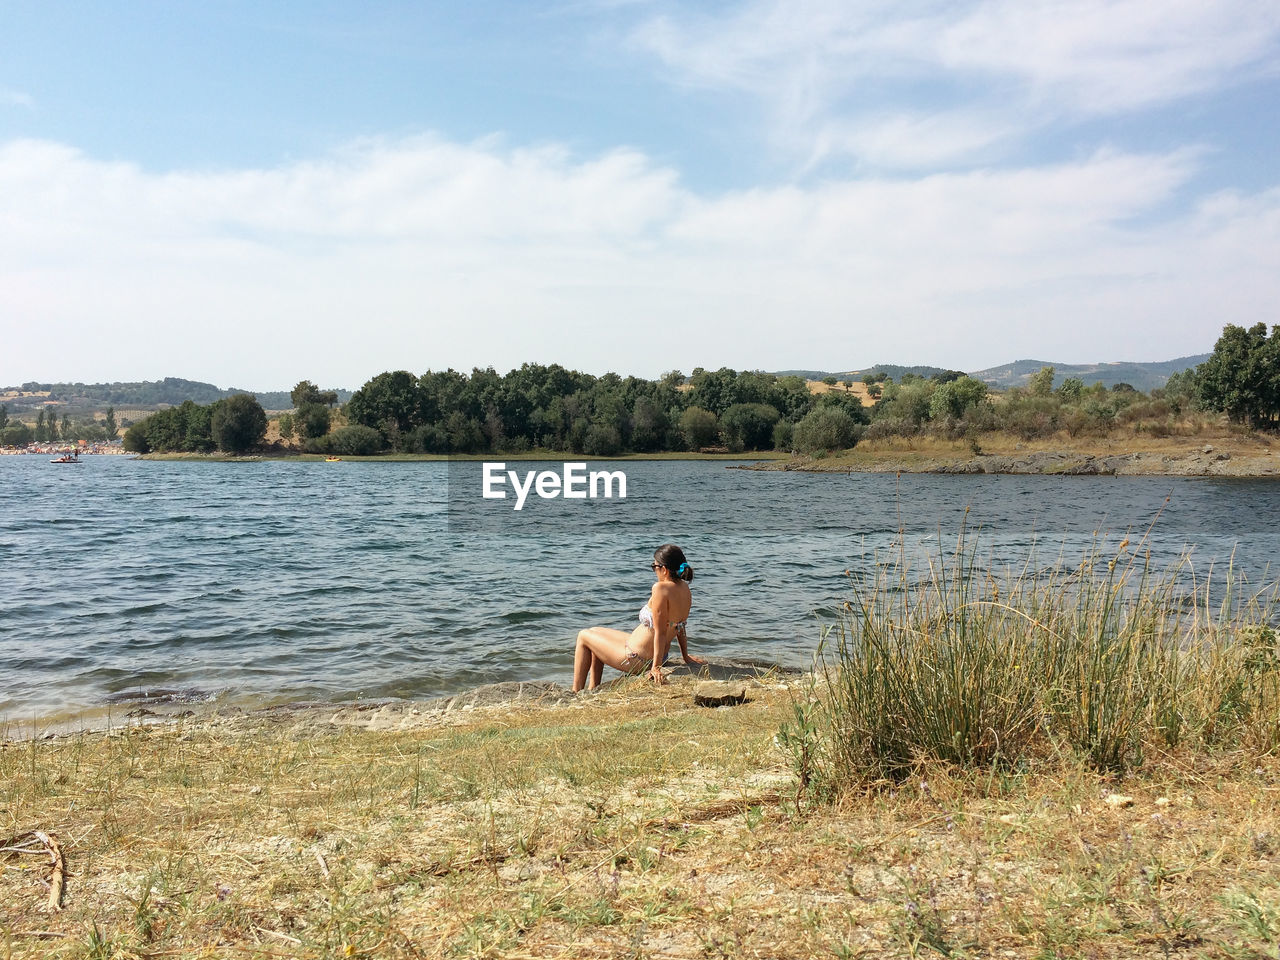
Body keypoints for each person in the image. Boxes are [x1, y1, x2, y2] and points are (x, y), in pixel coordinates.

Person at [573, 543, 705, 692]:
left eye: (654, 567)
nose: (654, 571)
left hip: (637, 659)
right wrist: (685, 656)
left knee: (583, 636)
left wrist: (655, 668)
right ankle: (593, 688)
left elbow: (661, 632)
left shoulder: (660, 589)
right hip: (649, 652)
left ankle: (575, 692)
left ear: (665, 569)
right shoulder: (684, 588)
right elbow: (680, 625)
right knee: (595, 631)